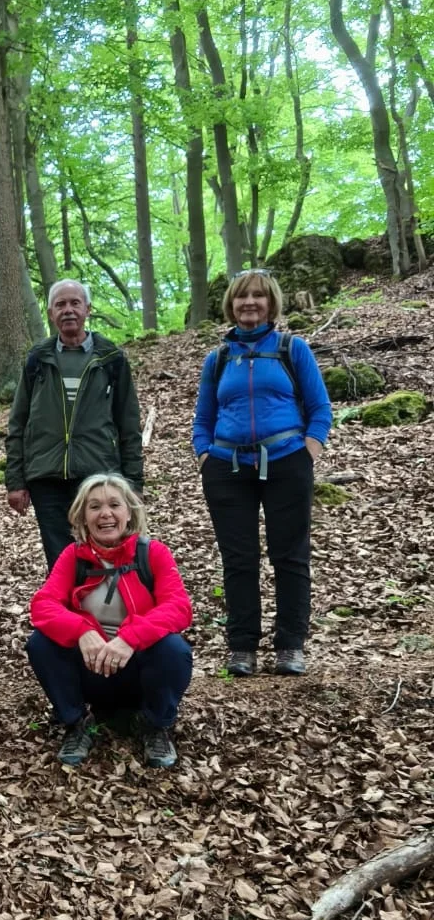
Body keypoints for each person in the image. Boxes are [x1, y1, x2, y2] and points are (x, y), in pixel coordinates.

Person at [192, 268, 332, 677]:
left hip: (287, 461)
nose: (249, 302)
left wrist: (309, 451)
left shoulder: (293, 349)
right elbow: (203, 418)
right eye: (241, 296)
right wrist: (204, 455)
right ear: (231, 304)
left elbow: (320, 408)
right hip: (227, 467)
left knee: (290, 556)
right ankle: (242, 647)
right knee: (238, 559)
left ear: (271, 303)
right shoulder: (218, 359)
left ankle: (290, 645)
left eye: (258, 295)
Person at [26, 473, 192, 769]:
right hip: (91, 668)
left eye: (114, 505)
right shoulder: (73, 556)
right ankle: (76, 723)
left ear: (129, 513)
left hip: (138, 670)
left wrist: (130, 638)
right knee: (40, 643)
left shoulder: (152, 553)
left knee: (174, 649)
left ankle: (156, 725)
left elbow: (178, 607)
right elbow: (43, 605)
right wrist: (81, 631)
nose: (105, 514)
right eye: (95, 507)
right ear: (82, 516)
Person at [6, 280, 143, 567]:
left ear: (87, 309)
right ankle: (66, 599)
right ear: (50, 313)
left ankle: (102, 599)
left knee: (101, 555)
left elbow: (128, 425)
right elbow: (18, 422)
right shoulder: (37, 359)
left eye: (75, 303)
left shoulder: (110, 359)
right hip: (46, 476)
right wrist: (16, 481)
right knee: (60, 560)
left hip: (98, 475)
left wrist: (132, 482)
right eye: (60, 304)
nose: (68, 310)